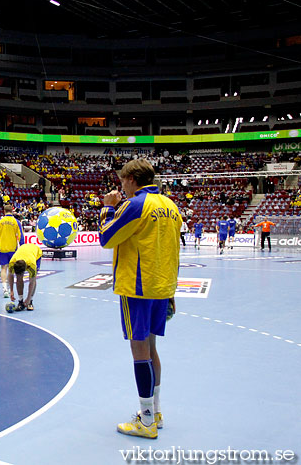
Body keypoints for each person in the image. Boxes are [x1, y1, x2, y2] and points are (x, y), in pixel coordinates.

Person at [98, 159, 181, 439]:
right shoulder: (171, 206)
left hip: (137, 287)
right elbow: (172, 248)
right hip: (161, 285)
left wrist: (108, 207)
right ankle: (154, 411)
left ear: (132, 178)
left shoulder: (136, 205)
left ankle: (146, 421)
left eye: (122, 180)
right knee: (152, 349)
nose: (120, 185)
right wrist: (171, 291)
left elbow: (106, 238)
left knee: (139, 351)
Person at [0, 204, 24, 298]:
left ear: (4, 211)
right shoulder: (16, 221)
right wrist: (22, 244)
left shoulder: (0, 221)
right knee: (12, 268)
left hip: (2, 248)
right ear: (12, 211)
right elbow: (20, 234)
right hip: (13, 248)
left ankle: (5, 289)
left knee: (3, 268)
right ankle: (10, 288)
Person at [6, 243, 42, 312]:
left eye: (20, 274)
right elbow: (10, 276)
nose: (19, 275)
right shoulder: (12, 262)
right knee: (19, 279)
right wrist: (11, 291)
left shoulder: (32, 265)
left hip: (36, 253)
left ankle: (30, 301)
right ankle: (20, 301)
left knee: (32, 279)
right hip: (23, 251)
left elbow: (32, 282)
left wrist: (28, 298)